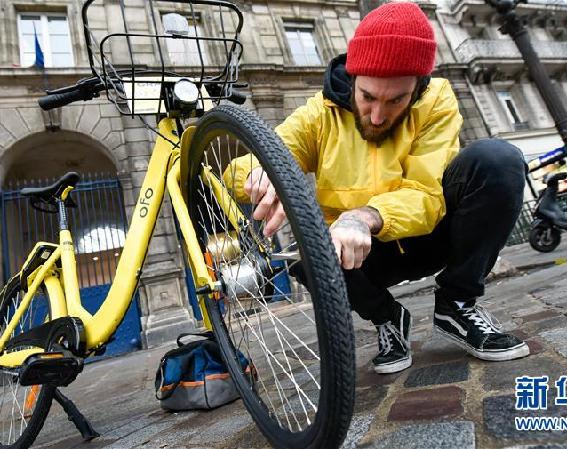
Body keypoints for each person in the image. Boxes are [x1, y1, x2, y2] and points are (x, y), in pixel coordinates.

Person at [225, 2, 530, 374]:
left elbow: (425, 192)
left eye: (396, 100)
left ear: (417, 89)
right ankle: (387, 318)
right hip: (361, 258)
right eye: (367, 96)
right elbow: (247, 163)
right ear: (352, 78)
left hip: (431, 235)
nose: (377, 115)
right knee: (304, 257)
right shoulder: (318, 114)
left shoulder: (437, 100)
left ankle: (458, 304)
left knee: (497, 159)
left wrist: (364, 217)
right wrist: (261, 172)